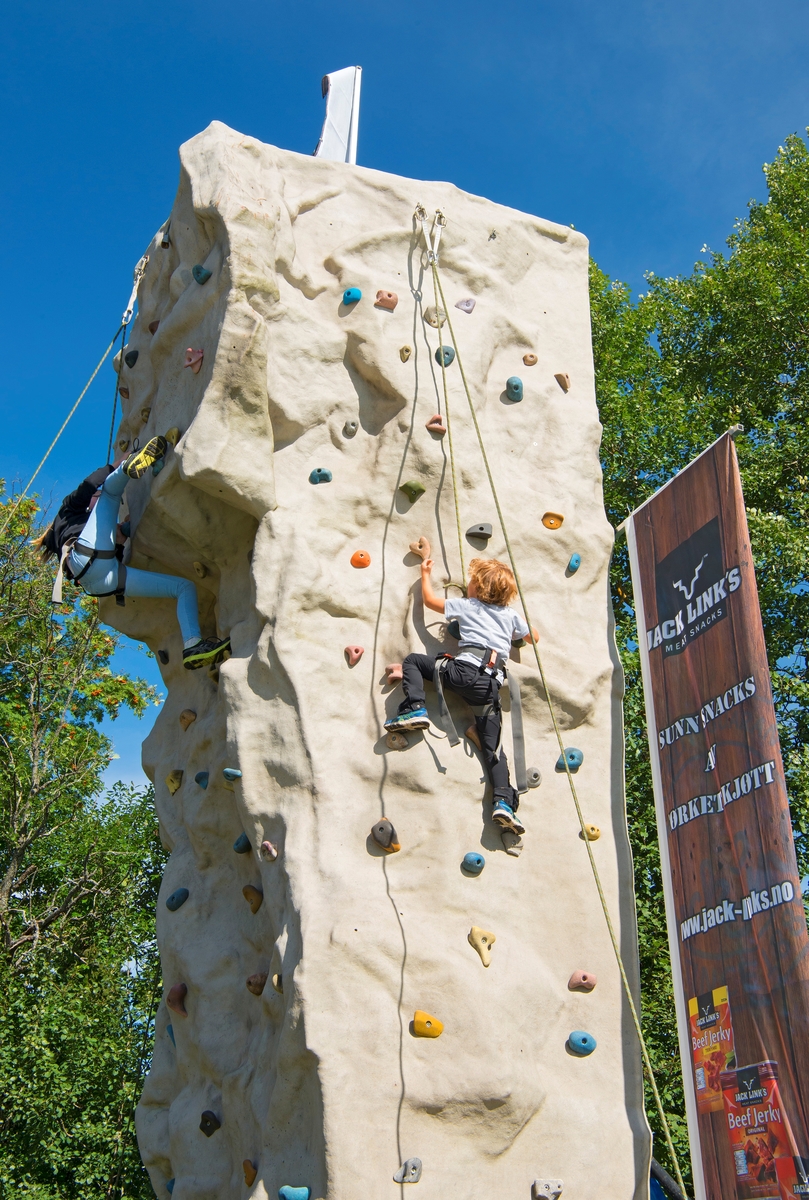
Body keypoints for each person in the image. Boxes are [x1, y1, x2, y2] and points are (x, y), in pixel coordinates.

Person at [34, 436, 231, 671]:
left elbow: (112, 551)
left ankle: (193, 646)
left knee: (183, 588)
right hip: (86, 557)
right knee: (109, 491)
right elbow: (90, 484)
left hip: (101, 580)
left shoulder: (82, 531)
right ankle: (131, 465)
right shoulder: (68, 511)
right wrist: (119, 463)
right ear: (89, 505)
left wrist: (123, 532)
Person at [384, 555, 539, 835]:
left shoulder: (469, 606)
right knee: (494, 749)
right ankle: (503, 801)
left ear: (477, 588)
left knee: (414, 662)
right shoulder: (510, 615)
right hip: (489, 687)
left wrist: (424, 573)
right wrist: (516, 627)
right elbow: (534, 637)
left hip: (461, 672)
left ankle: (415, 707)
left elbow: (431, 601)